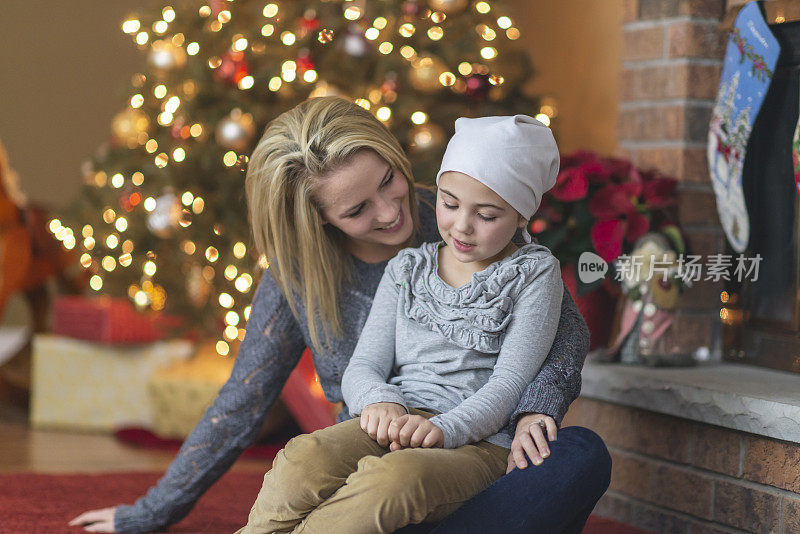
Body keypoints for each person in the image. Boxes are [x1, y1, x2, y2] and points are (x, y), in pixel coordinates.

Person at [70, 97, 610, 534]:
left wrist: (533, 410)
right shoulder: (303, 274)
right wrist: (150, 512)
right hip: (371, 457)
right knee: (325, 470)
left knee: (578, 455)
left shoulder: (458, 211)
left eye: (388, 180)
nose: (392, 211)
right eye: (356, 210)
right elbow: (242, 401)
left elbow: (561, 332)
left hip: (461, 450)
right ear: (319, 220)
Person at [238, 114, 567, 534]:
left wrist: (442, 429)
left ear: (521, 216)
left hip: (478, 441)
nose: (461, 226)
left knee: (393, 482)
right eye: (449, 204)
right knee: (303, 457)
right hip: (397, 418)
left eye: (486, 215)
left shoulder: (535, 273)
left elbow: (509, 383)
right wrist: (378, 400)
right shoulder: (408, 267)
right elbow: (364, 366)